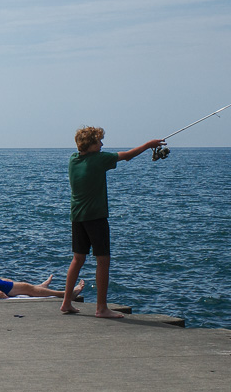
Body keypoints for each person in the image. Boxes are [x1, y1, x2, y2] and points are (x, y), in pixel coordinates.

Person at [63, 126, 165, 319]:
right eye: (98, 142)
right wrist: (149, 144)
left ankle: (66, 302)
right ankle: (101, 308)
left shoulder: (73, 160)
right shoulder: (99, 160)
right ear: (90, 144)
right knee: (103, 261)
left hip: (77, 217)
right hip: (95, 217)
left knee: (78, 259)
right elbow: (127, 156)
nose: (102, 145)